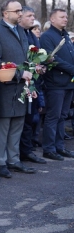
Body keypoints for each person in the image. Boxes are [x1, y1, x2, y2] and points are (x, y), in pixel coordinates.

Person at [0, 0, 36, 178]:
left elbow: (25, 57)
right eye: (17, 11)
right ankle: (1, 162)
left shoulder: (22, 31)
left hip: (22, 87)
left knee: (18, 125)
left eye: (21, 10)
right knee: (4, 126)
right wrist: (19, 74)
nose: (20, 14)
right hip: (5, 87)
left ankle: (14, 160)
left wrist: (32, 70)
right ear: (5, 13)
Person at [39, 8, 74, 160]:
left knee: (63, 116)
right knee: (53, 116)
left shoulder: (65, 35)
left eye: (66, 17)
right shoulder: (47, 36)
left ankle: (59, 147)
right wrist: (73, 69)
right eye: (62, 17)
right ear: (52, 19)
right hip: (55, 83)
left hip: (68, 83)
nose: (65, 19)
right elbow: (53, 59)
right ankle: (49, 149)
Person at [16, 6, 46, 164]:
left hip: (34, 82)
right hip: (21, 81)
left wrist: (41, 66)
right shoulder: (19, 34)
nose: (32, 18)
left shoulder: (31, 34)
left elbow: (36, 56)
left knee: (30, 119)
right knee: (23, 119)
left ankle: (27, 150)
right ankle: (20, 151)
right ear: (20, 17)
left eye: (33, 15)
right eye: (29, 15)